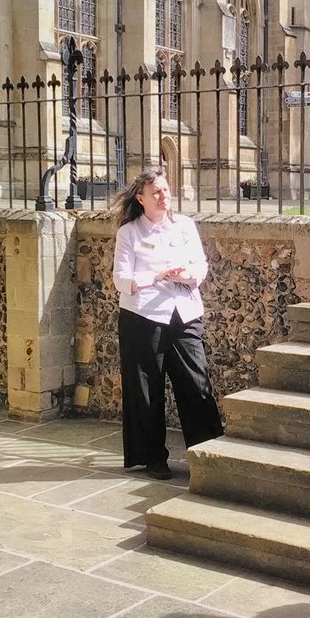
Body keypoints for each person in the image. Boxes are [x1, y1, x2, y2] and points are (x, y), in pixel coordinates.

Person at [111, 168, 224, 479]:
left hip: (184, 313)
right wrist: (157, 276)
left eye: (165, 189)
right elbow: (121, 280)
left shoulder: (185, 225)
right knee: (146, 389)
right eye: (156, 192)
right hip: (143, 317)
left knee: (196, 383)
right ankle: (153, 458)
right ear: (141, 199)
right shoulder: (129, 233)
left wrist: (187, 275)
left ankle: (208, 455)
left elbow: (200, 265)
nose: (163, 196)